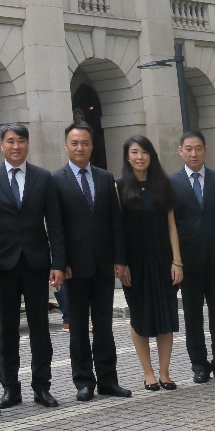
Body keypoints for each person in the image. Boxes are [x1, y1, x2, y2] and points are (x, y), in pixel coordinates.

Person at [0, 122, 65, 410]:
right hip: (3, 265)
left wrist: (58, 263)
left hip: (36, 262)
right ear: (1, 145)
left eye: (21, 141)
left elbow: (54, 224)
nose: (16, 146)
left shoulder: (43, 177)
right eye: (10, 141)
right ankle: (10, 388)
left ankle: (42, 386)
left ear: (28, 145)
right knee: (8, 327)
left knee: (40, 326)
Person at [51, 124, 131, 401]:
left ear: (91, 146)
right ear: (66, 146)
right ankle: (84, 382)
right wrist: (61, 264)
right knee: (78, 328)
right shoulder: (56, 180)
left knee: (104, 326)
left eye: (84, 143)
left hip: (104, 265)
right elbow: (56, 226)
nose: (80, 148)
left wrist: (120, 259)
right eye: (74, 143)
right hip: (74, 268)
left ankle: (109, 380)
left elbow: (116, 222)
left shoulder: (105, 177)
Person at [170, 130, 215, 384]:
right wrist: (174, 260)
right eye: (188, 148)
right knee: (193, 316)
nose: (193, 153)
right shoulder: (172, 182)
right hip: (188, 261)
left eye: (198, 148)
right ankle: (199, 365)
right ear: (180, 151)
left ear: (205, 150)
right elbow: (171, 225)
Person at [116, 136, 182, 391]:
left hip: (163, 260)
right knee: (140, 318)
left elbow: (171, 226)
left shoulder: (163, 185)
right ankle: (148, 374)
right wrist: (121, 263)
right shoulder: (119, 187)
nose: (140, 157)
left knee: (166, 316)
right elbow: (118, 229)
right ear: (127, 157)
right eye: (134, 152)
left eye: (144, 152)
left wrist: (177, 262)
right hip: (135, 264)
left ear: (152, 156)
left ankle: (165, 373)